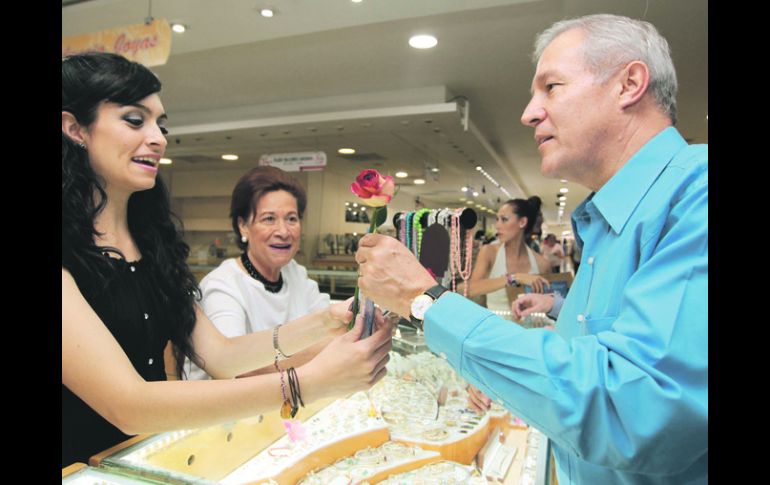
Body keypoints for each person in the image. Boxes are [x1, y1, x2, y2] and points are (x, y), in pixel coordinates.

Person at [355, 14, 707, 484]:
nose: (528, 112)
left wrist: (427, 300)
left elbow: (633, 408)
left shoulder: (695, 196)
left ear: (629, 84)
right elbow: (592, 358)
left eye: (551, 87)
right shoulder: (606, 225)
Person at [62, 52, 393, 467]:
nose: (158, 138)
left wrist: (325, 321)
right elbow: (129, 403)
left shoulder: (152, 245)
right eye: (135, 120)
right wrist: (307, 382)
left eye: (160, 125)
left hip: (137, 463)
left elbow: (221, 356)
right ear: (74, 127)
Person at [185, 166, 333, 380]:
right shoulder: (223, 285)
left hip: (284, 397)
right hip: (228, 407)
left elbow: (329, 326)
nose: (283, 232)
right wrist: (320, 351)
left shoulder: (295, 274)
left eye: (291, 218)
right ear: (243, 226)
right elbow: (235, 370)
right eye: (269, 219)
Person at [458, 197, 551, 319]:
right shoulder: (489, 252)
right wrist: (514, 278)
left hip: (528, 332)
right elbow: (468, 289)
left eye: (504, 220)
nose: (497, 226)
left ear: (522, 222)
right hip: (496, 330)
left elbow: (549, 302)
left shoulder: (542, 263)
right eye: (497, 219)